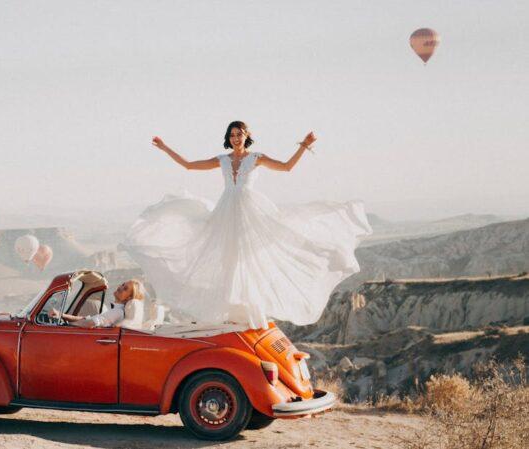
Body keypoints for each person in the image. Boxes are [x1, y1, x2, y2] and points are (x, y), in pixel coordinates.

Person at [119, 121, 373, 330]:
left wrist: (304, 146)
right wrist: (165, 148)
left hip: (250, 212)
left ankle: (251, 312)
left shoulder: (257, 158)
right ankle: (230, 313)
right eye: (232, 134)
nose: (235, 138)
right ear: (228, 138)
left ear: (247, 136)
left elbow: (286, 167)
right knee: (226, 260)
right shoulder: (222, 159)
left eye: (239, 134)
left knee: (249, 261)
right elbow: (188, 165)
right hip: (226, 213)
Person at [51, 279, 145, 329]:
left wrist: (66, 326)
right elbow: (88, 319)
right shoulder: (113, 310)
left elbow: (90, 323)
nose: (121, 287)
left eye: (125, 289)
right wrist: (62, 315)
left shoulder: (117, 312)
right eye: (123, 284)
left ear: (129, 298)